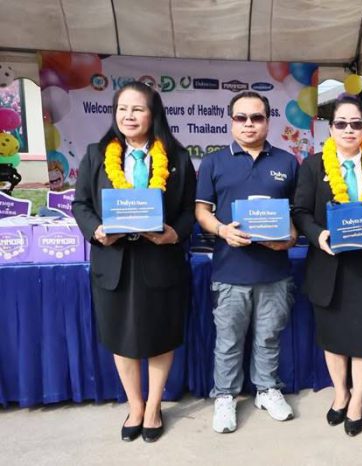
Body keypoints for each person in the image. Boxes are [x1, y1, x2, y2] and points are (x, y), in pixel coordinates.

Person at [72, 81, 196, 443]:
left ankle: (155, 407)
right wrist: (95, 230)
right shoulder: (97, 154)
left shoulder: (178, 158)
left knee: (160, 336)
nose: (129, 116)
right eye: (122, 108)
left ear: (153, 113)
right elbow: (81, 205)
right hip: (114, 263)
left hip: (160, 262)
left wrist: (175, 233)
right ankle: (135, 406)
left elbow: (190, 210)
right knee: (120, 338)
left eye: (137, 109)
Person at [293, 96, 362, 437]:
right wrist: (317, 234)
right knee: (334, 337)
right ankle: (341, 393)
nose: (349, 130)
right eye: (342, 123)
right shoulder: (312, 167)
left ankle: (358, 400)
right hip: (330, 267)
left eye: (356, 124)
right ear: (331, 127)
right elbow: (300, 212)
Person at [195, 91, 298, 434]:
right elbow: (201, 211)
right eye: (242, 118)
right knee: (228, 340)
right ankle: (225, 396)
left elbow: (294, 218)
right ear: (231, 121)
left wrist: (290, 238)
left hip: (275, 271)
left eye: (257, 117)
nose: (249, 124)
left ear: (268, 121)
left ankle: (267, 389)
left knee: (269, 336)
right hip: (230, 270)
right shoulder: (213, 162)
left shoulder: (287, 161)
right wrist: (222, 230)